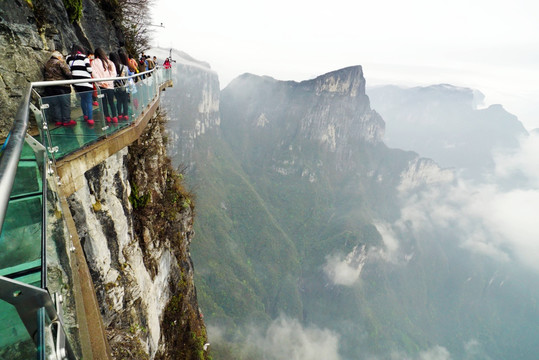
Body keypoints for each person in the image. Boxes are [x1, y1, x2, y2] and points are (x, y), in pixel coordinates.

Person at [43, 51, 73, 126]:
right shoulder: (59, 63)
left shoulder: (47, 63)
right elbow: (68, 73)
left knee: (56, 104)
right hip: (62, 86)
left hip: (50, 86)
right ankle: (66, 120)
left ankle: (58, 120)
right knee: (65, 104)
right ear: (59, 57)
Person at [66, 44, 94, 125]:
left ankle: (85, 115)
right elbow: (89, 69)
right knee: (88, 101)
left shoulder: (68, 57)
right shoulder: (84, 57)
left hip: (77, 83)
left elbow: (68, 69)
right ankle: (90, 119)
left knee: (82, 99)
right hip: (86, 82)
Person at [92, 48, 118, 123]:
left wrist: (102, 82)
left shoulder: (94, 62)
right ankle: (114, 117)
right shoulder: (110, 62)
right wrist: (108, 82)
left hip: (101, 86)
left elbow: (94, 73)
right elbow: (114, 74)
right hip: (110, 85)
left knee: (104, 102)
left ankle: (107, 117)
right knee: (111, 102)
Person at [110, 51, 129, 121]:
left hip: (115, 88)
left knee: (118, 101)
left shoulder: (111, 67)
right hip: (124, 87)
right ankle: (126, 115)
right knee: (125, 102)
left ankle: (119, 114)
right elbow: (127, 77)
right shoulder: (124, 67)